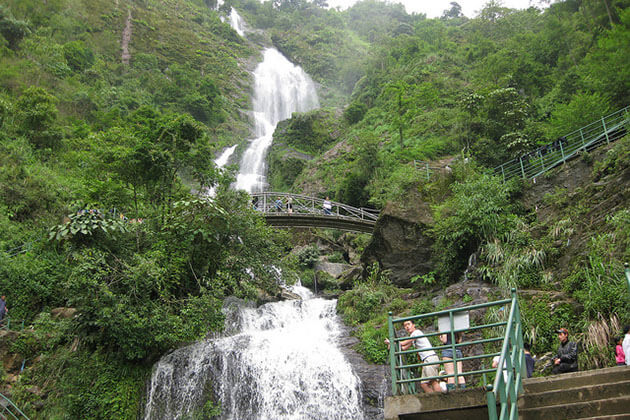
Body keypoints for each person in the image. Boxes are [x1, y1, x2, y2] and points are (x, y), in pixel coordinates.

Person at [384, 320, 441, 393]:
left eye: (408, 324)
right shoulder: (413, 337)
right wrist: (393, 345)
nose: (407, 327)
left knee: (433, 381)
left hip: (430, 358)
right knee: (424, 384)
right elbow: (403, 348)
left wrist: (391, 341)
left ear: (413, 325)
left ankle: (440, 399)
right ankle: (434, 399)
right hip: (426, 360)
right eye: (405, 325)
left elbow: (403, 343)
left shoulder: (416, 333)